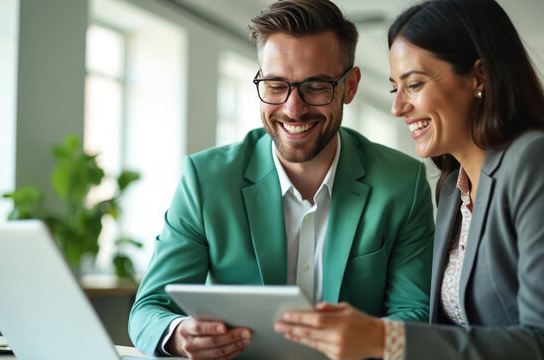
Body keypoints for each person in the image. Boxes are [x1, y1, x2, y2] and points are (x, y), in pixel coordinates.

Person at [274, 0, 544, 359]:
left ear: (478, 77)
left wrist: (382, 338)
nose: (397, 107)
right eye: (395, 87)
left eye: (415, 84)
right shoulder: (453, 189)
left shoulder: (538, 160)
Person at [128, 0, 435, 358]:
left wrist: (369, 337)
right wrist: (179, 334)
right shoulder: (205, 180)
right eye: (275, 85)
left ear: (350, 86)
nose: (293, 108)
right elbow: (148, 308)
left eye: (316, 86)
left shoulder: (402, 183)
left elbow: (416, 312)